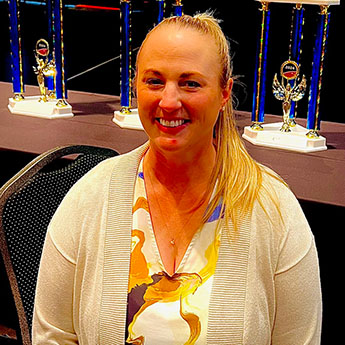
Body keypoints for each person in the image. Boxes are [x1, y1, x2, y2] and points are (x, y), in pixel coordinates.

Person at [32, 13, 322, 345]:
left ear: (224, 93)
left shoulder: (273, 209)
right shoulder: (89, 198)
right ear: (135, 85)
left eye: (190, 83)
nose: (169, 102)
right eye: (154, 81)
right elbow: (52, 336)